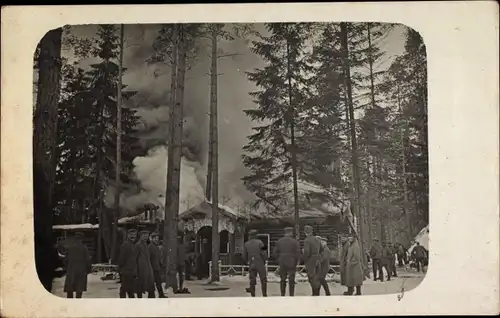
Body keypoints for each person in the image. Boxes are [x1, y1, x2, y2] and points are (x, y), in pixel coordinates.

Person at [62, 232, 91, 298]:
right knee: (79, 289)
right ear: (81, 239)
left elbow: (66, 260)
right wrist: (88, 269)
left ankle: (70, 304)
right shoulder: (84, 248)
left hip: (71, 270)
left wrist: (67, 267)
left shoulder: (70, 248)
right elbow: (88, 260)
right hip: (81, 270)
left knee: (70, 289)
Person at [273, 227, 300, 296]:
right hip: (291, 262)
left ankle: (282, 294)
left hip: (282, 262)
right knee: (291, 280)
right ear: (290, 233)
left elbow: (274, 253)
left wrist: (279, 260)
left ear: (285, 233)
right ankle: (291, 294)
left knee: (283, 279)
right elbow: (298, 253)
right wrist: (296, 261)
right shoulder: (294, 241)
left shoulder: (279, 241)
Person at [243, 229, 268, 297]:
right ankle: (264, 294)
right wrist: (264, 260)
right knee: (263, 279)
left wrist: (247, 261)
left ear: (250, 236)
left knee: (252, 279)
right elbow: (264, 252)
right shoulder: (260, 242)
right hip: (260, 263)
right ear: (256, 235)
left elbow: (244, 255)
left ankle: (253, 295)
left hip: (251, 263)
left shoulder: (246, 244)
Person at [302, 225, 323, 296]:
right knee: (317, 276)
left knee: (311, 277)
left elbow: (307, 252)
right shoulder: (317, 239)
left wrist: (304, 259)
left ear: (305, 232)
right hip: (318, 259)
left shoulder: (307, 240)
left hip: (310, 260)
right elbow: (322, 249)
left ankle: (315, 293)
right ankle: (317, 292)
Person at [117, 229, 138, 298]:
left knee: (130, 289)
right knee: (125, 288)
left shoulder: (133, 245)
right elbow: (122, 259)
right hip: (126, 271)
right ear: (128, 235)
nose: (133, 236)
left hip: (132, 271)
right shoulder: (125, 245)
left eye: (134, 235)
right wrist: (120, 268)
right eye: (131, 235)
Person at [135, 230, 155, 298]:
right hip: (141, 269)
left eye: (147, 235)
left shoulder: (146, 244)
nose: (146, 237)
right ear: (141, 236)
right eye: (144, 235)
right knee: (140, 286)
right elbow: (135, 258)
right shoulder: (138, 245)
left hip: (148, 268)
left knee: (150, 286)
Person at [148, 232, 166, 298]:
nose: (156, 240)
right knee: (152, 283)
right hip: (152, 268)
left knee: (158, 282)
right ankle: (151, 295)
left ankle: (161, 294)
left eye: (157, 238)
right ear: (152, 239)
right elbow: (148, 258)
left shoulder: (156, 247)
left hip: (157, 267)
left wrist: (161, 265)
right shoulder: (150, 247)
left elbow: (158, 258)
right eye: (155, 238)